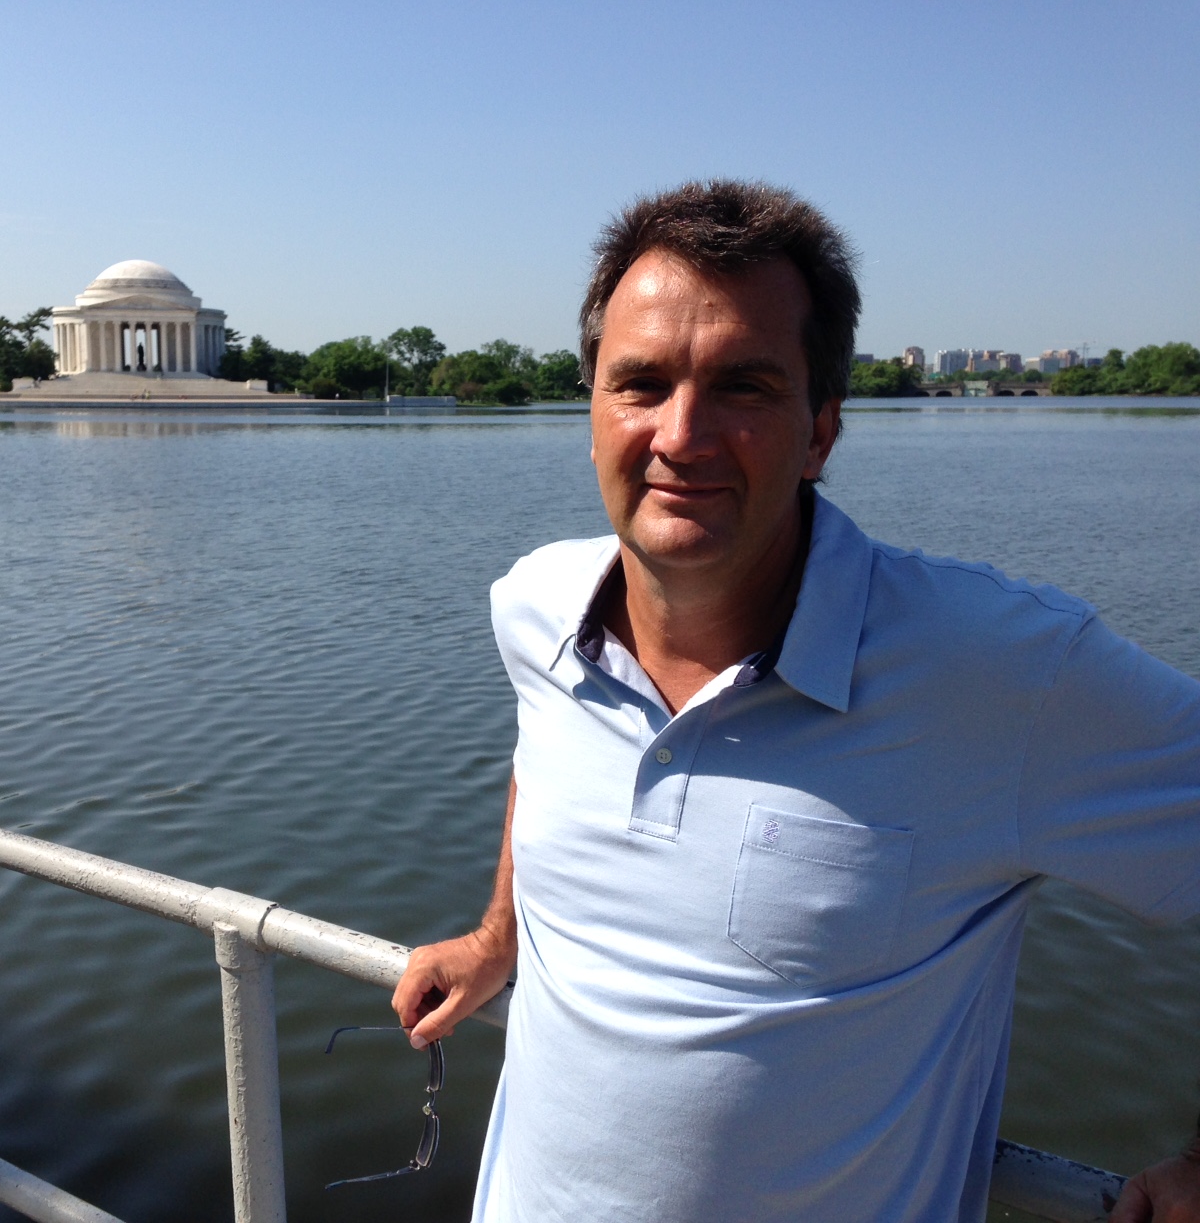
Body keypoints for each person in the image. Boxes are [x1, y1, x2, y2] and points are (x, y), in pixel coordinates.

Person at [390, 180, 1200, 1222]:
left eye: (744, 388)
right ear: (590, 411)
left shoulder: (1004, 672)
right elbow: (544, 750)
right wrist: (499, 933)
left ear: (821, 431)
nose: (681, 436)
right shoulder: (536, 607)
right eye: (640, 384)